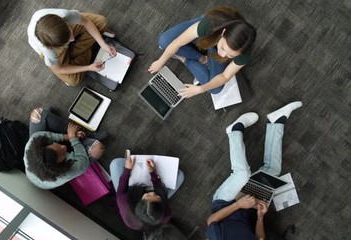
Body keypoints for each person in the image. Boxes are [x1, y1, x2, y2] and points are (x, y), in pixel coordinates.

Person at [206, 101, 302, 239]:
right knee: (273, 170)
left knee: (242, 173)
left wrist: (238, 205)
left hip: (224, 203)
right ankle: (276, 122)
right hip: (246, 209)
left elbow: (211, 221)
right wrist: (260, 217)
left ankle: (234, 131)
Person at [148, 6, 256, 98]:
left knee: (215, 89)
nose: (222, 55)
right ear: (223, 32)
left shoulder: (244, 53)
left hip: (212, 46)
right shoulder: (210, 23)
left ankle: (185, 58)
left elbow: (225, 77)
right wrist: (160, 61)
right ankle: (199, 58)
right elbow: (177, 43)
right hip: (208, 35)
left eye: (230, 55)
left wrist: (200, 89)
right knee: (164, 42)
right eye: (223, 48)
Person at [27, 8, 116, 86]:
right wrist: (89, 67)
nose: (72, 39)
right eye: (67, 41)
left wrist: (102, 44)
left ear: (64, 22)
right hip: (54, 48)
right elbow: (58, 69)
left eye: (70, 33)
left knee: (101, 22)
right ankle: (87, 46)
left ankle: (74, 57)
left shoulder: (63, 15)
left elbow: (86, 22)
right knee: (73, 81)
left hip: (59, 32)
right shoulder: (48, 51)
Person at [23, 107, 106, 189]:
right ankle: (85, 137)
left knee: (37, 114)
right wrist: (74, 139)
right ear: (61, 165)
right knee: (98, 149)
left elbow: (50, 136)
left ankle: (80, 131)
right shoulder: (65, 174)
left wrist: (70, 136)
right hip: (73, 161)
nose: (64, 147)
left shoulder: (33, 143)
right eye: (63, 154)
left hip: (50, 148)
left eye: (54, 144)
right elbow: (82, 160)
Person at [109, 152, 185, 232]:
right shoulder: (166, 215)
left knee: (115, 163)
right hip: (157, 196)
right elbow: (160, 191)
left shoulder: (124, 201)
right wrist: (153, 173)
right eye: (156, 196)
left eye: (148, 195)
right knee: (180, 176)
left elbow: (122, 186)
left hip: (131, 192)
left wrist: (127, 170)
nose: (152, 193)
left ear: (139, 201)